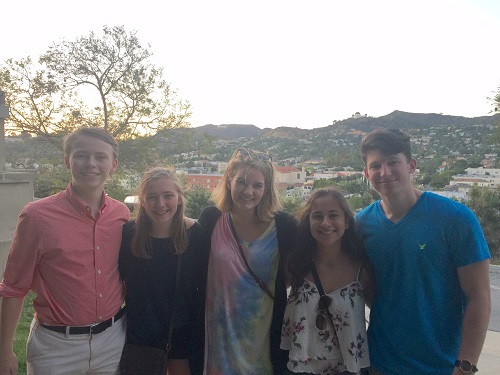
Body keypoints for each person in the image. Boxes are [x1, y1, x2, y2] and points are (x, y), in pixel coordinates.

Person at [355, 128, 491, 375]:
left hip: (442, 366)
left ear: (411, 165)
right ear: (366, 173)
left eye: (393, 162)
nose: (384, 172)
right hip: (379, 364)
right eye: (376, 166)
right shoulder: (361, 225)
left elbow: (479, 297)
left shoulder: (455, 219)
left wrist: (466, 365)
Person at [0, 127, 130, 375]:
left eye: (100, 157)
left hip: (112, 340)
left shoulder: (121, 214)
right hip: (56, 348)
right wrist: (4, 349)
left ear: (113, 165)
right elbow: (14, 287)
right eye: (81, 155)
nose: (90, 163)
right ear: (66, 160)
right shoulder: (37, 217)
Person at [197, 147, 298, 375]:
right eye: (241, 182)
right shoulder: (212, 220)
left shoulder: (283, 227)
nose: (248, 191)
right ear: (229, 181)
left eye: (257, 185)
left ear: (267, 188)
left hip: (263, 346)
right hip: (217, 347)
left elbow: (305, 267)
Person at [118, 167, 205, 375]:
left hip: (183, 335)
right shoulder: (129, 234)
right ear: (142, 200)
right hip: (140, 336)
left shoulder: (196, 235)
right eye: (152, 197)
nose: (161, 204)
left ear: (180, 198)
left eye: (168, 196)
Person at [281, 188, 373, 375]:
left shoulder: (361, 270)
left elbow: (381, 315)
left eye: (333, 215)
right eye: (317, 216)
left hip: (348, 369)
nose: (325, 223)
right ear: (308, 222)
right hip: (300, 367)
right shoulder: (296, 265)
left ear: (346, 221)